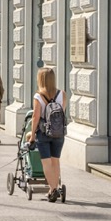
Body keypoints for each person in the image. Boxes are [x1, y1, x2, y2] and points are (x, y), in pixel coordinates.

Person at [26, 67, 66, 202]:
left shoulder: (38, 96)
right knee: (55, 161)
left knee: (46, 163)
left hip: (43, 133)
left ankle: (53, 190)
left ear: (40, 79)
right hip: (58, 133)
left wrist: (32, 135)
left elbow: (36, 117)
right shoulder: (62, 94)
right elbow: (62, 113)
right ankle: (53, 189)